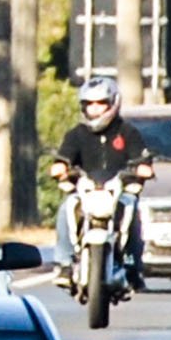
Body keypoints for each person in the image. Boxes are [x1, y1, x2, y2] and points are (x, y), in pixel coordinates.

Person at [50, 76, 153, 289]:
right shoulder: (76, 134)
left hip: (119, 190)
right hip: (86, 190)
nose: (95, 109)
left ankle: (133, 266)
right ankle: (65, 263)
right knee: (66, 209)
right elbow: (63, 158)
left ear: (113, 103)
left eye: (100, 103)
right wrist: (60, 167)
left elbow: (142, 159)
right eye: (89, 104)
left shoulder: (128, 132)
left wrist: (142, 169)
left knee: (132, 212)